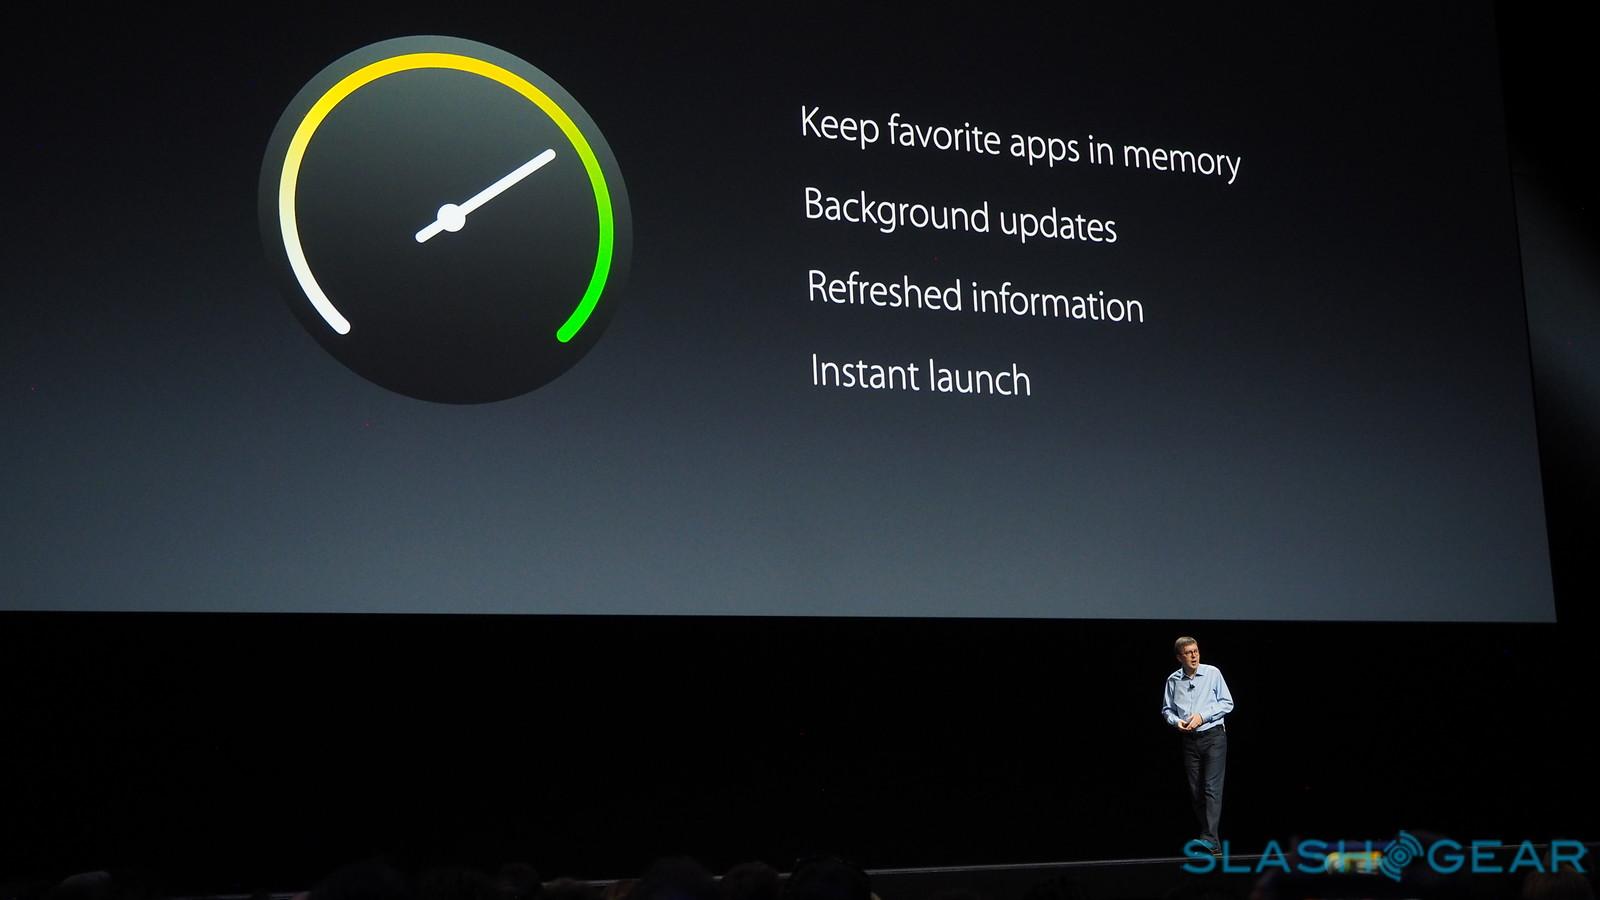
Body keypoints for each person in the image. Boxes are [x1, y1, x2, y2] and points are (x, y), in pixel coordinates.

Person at [1162, 636, 1233, 855]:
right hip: (1190, 741)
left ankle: (1209, 838)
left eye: (1196, 651)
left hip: (1213, 737)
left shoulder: (1213, 673)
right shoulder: (1173, 680)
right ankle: (1213, 842)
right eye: (1188, 653)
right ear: (1179, 657)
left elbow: (1227, 703)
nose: (1194, 656)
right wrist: (1176, 722)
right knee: (1196, 791)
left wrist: (1202, 716)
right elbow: (1167, 709)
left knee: (1211, 788)